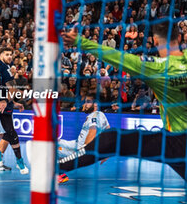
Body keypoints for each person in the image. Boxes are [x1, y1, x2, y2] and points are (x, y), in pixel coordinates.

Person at [59, 21, 187, 179]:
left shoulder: (158, 68)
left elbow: (117, 57)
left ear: (154, 41)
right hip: (175, 144)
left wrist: (79, 41)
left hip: (176, 143)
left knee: (111, 139)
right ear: (180, 38)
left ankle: (57, 167)